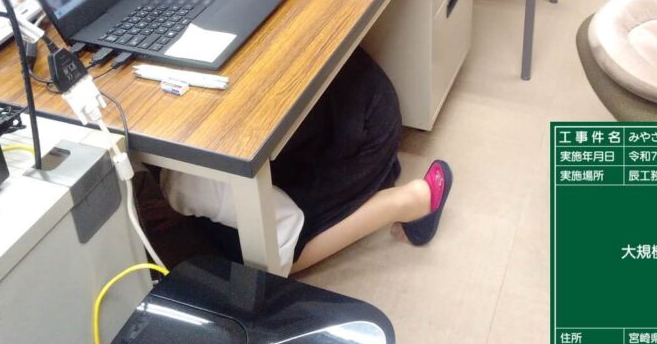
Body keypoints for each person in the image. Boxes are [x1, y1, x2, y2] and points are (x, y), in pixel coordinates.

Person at [158, 48, 453, 273]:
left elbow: (285, 233)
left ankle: (409, 201)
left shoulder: (186, 182)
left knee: (259, 258)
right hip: (364, 98)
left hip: (359, 138)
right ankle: (373, 181)